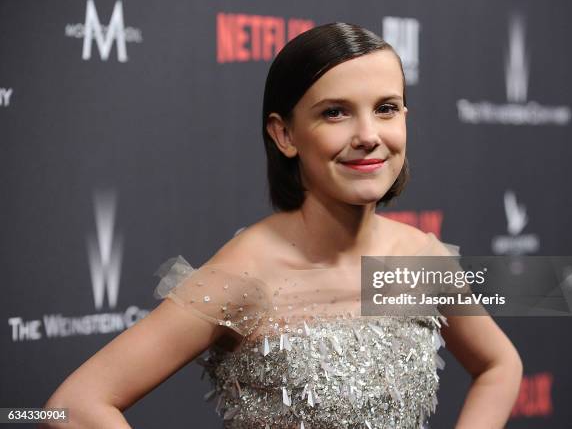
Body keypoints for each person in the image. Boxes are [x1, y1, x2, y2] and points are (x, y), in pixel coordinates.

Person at [42, 22, 522, 428]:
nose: (368, 136)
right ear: (285, 134)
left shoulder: (418, 260)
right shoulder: (246, 276)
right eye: (335, 112)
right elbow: (71, 407)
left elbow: (500, 365)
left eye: (386, 108)